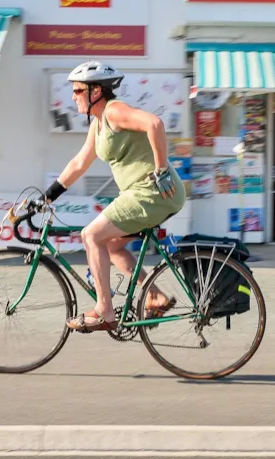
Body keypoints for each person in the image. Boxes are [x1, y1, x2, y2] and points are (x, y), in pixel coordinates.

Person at [40, 61, 186, 333]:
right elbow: (78, 164)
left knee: (91, 235)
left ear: (96, 91)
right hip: (147, 195)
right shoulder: (98, 124)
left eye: (78, 90)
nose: (73, 96)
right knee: (111, 247)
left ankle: (104, 311)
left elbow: (155, 123)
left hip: (151, 192)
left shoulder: (114, 111)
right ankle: (155, 296)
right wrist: (46, 198)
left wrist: (161, 169)